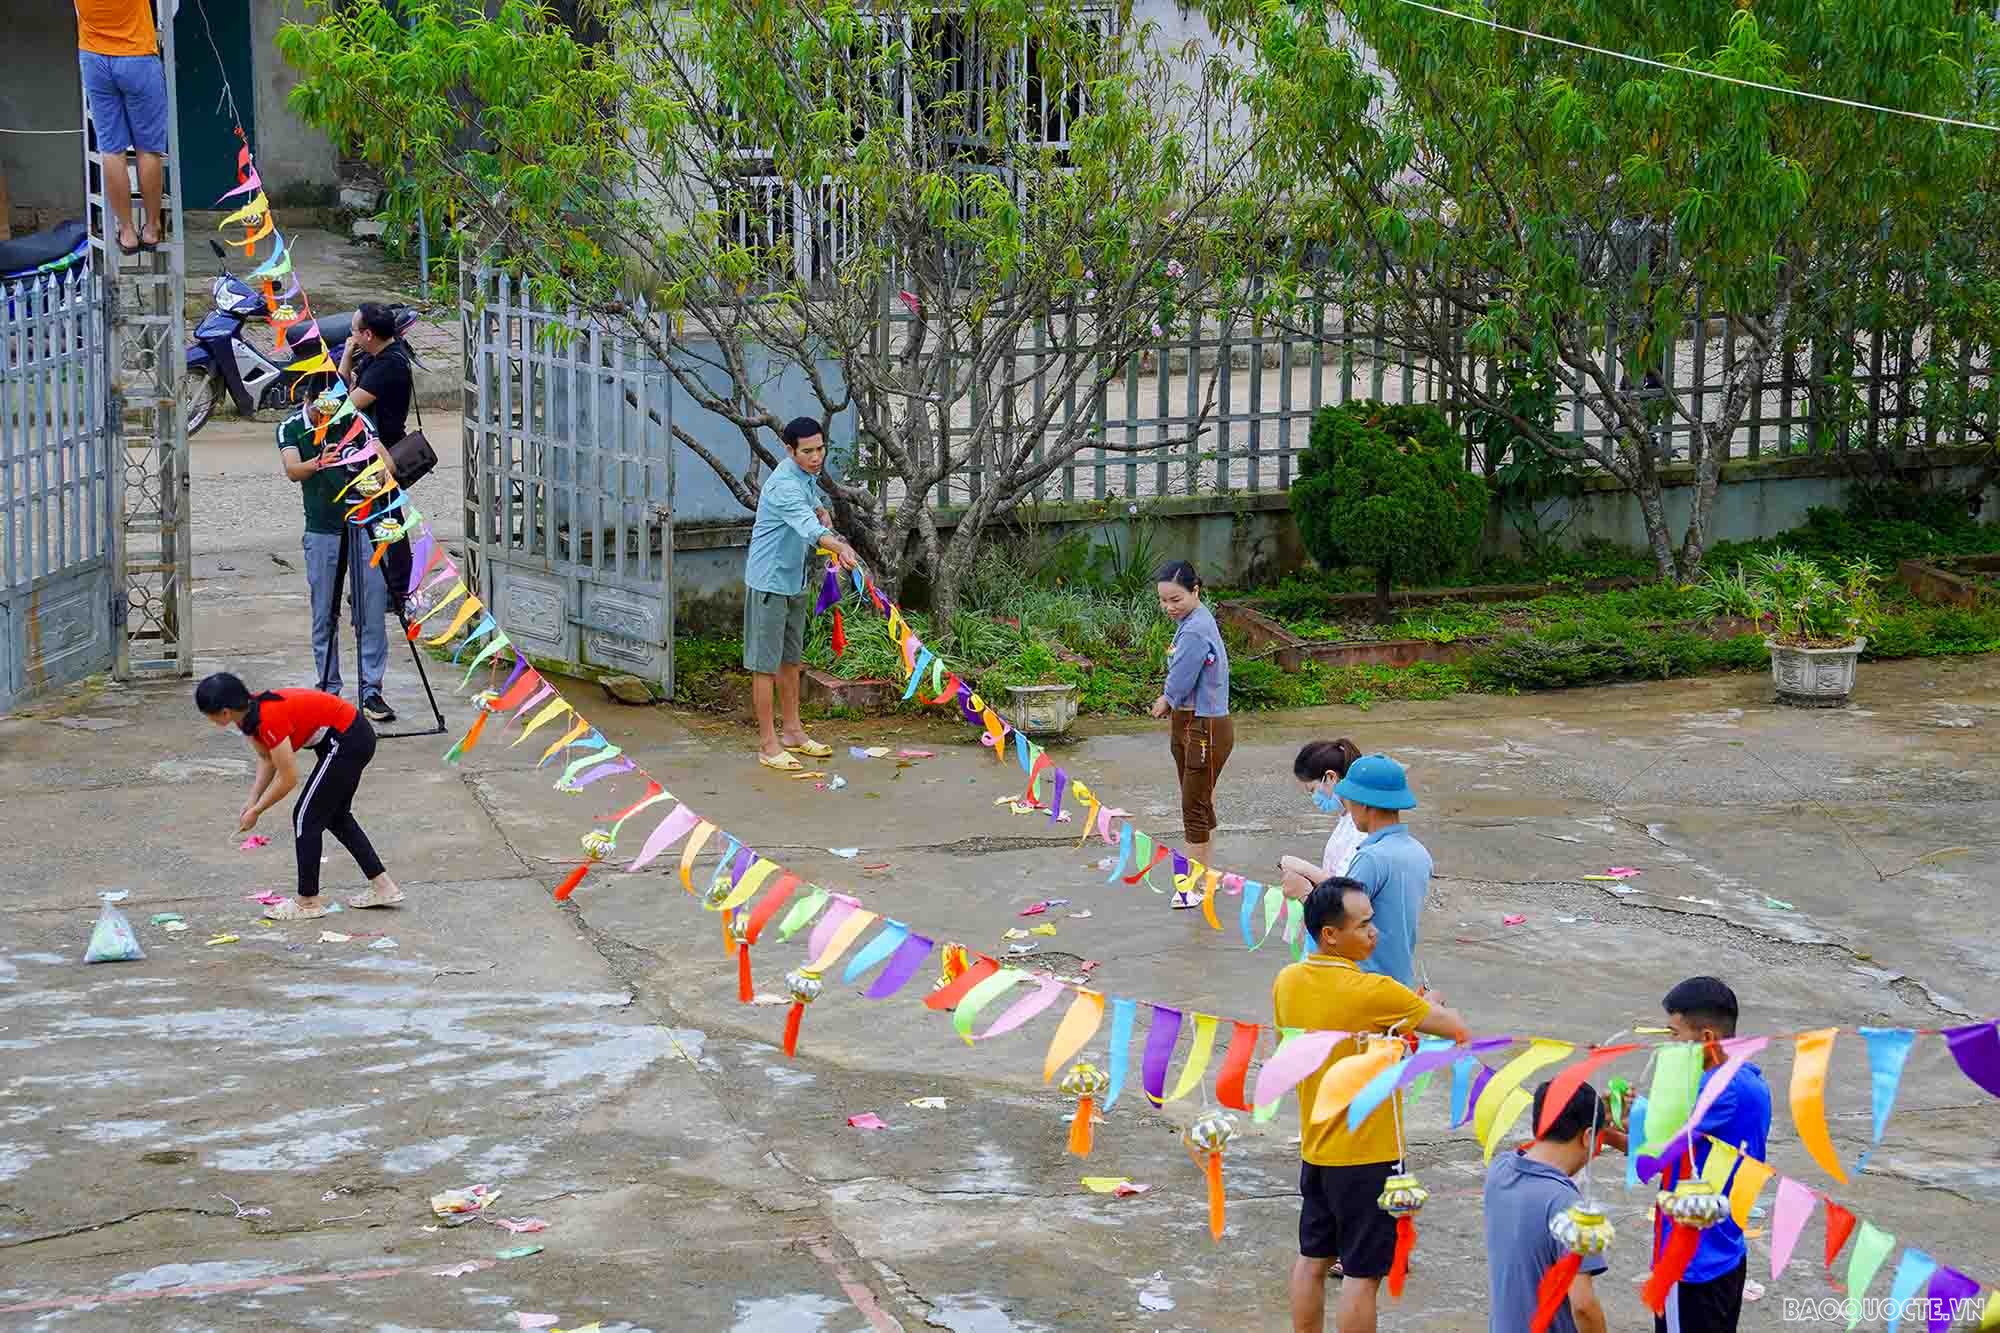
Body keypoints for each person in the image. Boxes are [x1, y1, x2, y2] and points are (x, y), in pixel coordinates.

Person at [1274, 877, 1471, 1333]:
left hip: (1317, 1147)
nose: (1374, 933)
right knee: (1363, 1276)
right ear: (1330, 934)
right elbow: (1457, 1028)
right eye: (1363, 925)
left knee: (1312, 1260)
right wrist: (1429, 1004)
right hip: (1368, 1154)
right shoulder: (1376, 992)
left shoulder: (1287, 982)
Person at [195, 672, 405, 922]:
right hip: (341, 739)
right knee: (336, 817)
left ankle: (308, 901)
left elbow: (288, 779)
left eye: (208, 713)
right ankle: (384, 887)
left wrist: (258, 810)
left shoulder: (267, 717)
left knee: (306, 817)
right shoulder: (247, 717)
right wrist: (252, 801)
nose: (208, 719)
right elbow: (266, 758)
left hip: (349, 738)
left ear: (224, 712)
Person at [1652, 976, 1771, 1333]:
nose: (1669, 1044)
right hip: (1725, 1250)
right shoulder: (1747, 1077)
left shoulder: (1717, 1090)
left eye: (1674, 1034)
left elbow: (1654, 1152)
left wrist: (1613, 1124)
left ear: (1706, 1038)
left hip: (1691, 1261)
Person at [743, 417, 859, 770]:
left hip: (793, 580)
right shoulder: (782, 486)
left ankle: (793, 732)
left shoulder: (803, 476)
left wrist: (821, 507)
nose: (816, 457)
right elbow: (809, 529)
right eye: (807, 451)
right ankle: (768, 744)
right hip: (768, 582)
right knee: (764, 666)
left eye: (820, 449)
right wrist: (839, 546)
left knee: (790, 661)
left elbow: (812, 506)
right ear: (789, 450)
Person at [280, 391, 391, 719]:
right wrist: (318, 462)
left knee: (371, 605)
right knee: (324, 611)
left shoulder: (354, 420)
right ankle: (328, 689)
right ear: (306, 399)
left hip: (363, 524)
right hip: (322, 529)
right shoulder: (290, 427)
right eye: (320, 409)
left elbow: (386, 462)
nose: (326, 416)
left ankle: (371, 690)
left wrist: (373, 472)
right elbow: (291, 469)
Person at [1484, 1081, 1612, 1333]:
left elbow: (1540, 1161)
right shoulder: (1566, 1203)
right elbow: (1583, 1306)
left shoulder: (1499, 1170)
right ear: (1587, 1137)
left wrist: (1599, 1124)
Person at [1150, 560, 1231, 907]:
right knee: (1200, 801)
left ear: (1195, 591)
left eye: (1176, 599)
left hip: (1202, 726)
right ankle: (1205, 876)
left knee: (1194, 808)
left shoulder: (1196, 629)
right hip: (1195, 723)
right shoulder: (1194, 621)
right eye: (1164, 601)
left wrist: (1166, 698)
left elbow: (1182, 676)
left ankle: (1193, 887)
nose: (1169, 607)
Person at [339, 304, 416, 625]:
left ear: (368, 334)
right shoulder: (378, 356)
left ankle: (397, 593)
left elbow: (343, 405)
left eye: (355, 331)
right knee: (374, 521)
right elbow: (345, 385)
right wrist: (347, 355)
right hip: (371, 450)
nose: (351, 336)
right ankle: (378, 587)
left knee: (388, 523)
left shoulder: (387, 367)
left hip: (383, 454)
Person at [76, 0, 169, 254]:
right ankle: (151, 228)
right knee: (148, 149)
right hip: (137, 54)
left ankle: (126, 232)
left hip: (94, 58)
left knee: (111, 149)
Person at [1334, 754, 1430, 991]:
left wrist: (1305, 891)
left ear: (1365, 804)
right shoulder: (1419, 853)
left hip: (1365, 983)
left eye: (1350, 801)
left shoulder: (1372, 858)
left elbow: (1337, 917)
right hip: (1399, 982)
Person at [1280, 738, 1365, 901]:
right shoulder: (1347, 817)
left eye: (1312, 790)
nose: (1313, 797)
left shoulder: (1361, 825)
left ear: (1330, 777)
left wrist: (1302, 868)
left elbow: (1348, 887)